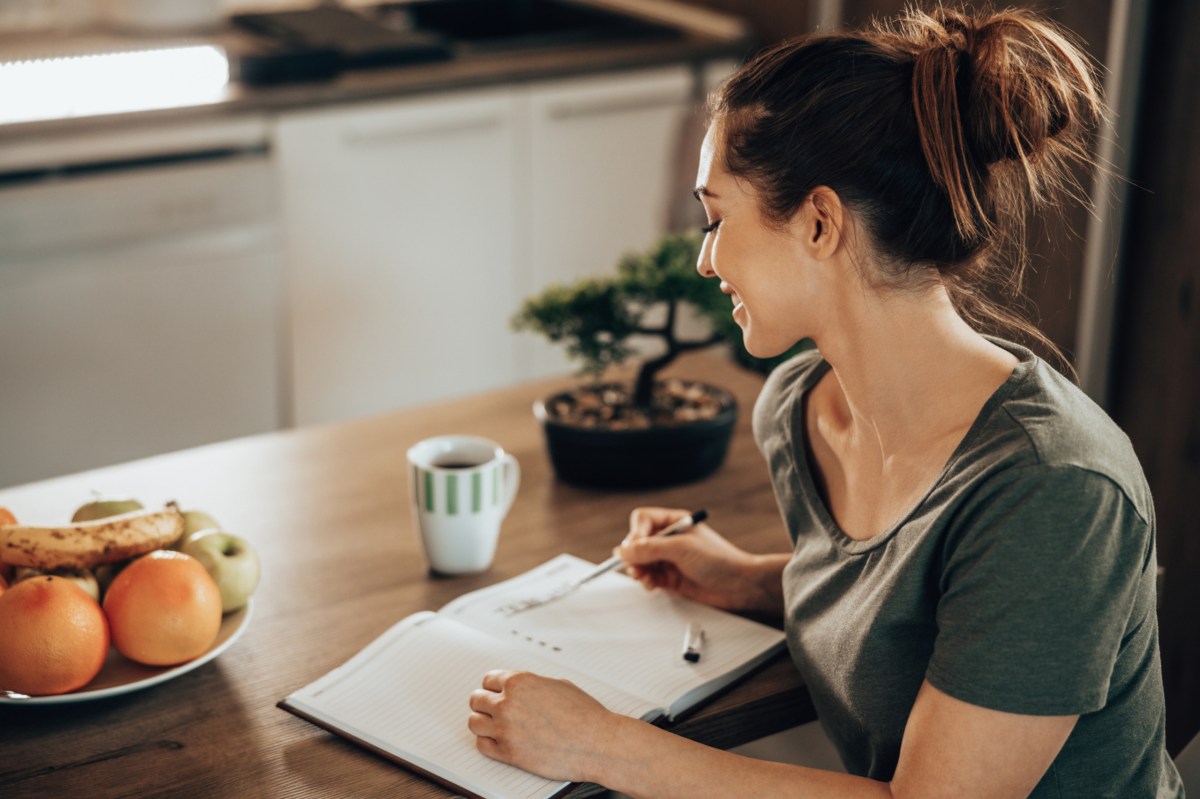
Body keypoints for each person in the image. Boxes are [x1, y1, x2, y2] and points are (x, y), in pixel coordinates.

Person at [466, 6, 1185, 797]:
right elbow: (923, 607)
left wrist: (604, 746)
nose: (704, 259)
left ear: (818, 222)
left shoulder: (1055, 489)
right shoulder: (798, 412)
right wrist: (751, 581)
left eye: (715, 218)